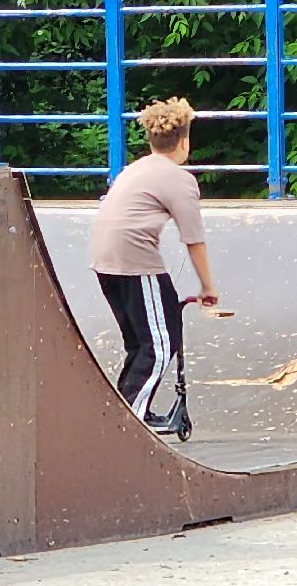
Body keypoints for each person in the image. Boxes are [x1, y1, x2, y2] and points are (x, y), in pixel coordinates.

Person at [89, 96, 219, 426]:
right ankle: (128, 424)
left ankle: (126, 411)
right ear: (185, 140)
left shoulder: (135, 169)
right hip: (135, 262)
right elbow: (194, 240)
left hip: (106, 261)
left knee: (141, 342)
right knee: (161, 346)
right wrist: (208, 286)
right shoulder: (178, 179)